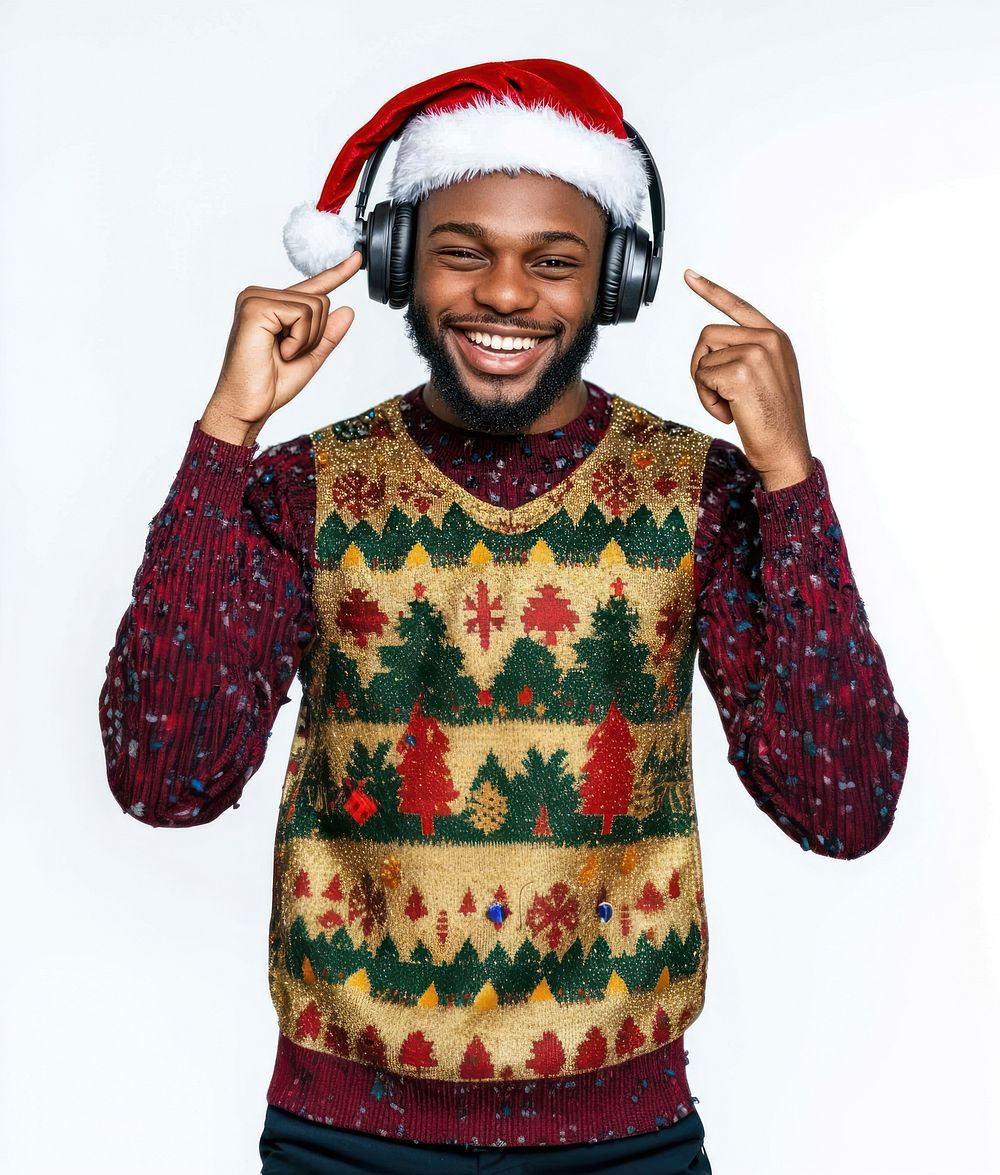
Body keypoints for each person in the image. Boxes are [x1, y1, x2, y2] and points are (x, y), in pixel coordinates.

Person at [98, 59, 909, 1174]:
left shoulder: (703, 492)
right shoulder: (303, 487)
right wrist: (224, 435)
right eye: (462, 251)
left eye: (555, 260)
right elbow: (164, 776)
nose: (507, 294)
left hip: (628, 1141)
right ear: (397, 265)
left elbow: (843, 802)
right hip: (344, 1138)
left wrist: (786, 478)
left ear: (615, 280)